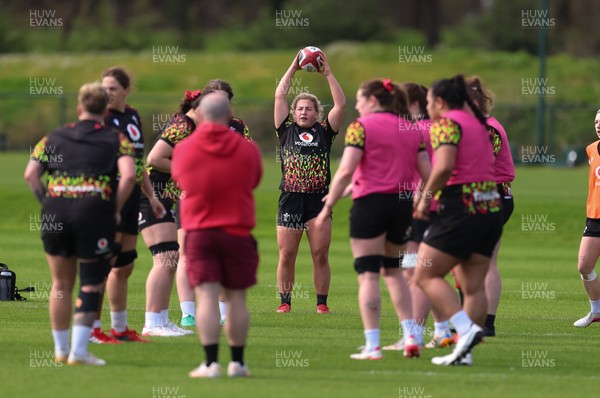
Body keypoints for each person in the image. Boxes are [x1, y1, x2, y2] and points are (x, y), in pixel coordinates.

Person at [314, 78, 430, 360]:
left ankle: (373, 345)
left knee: (368, 275)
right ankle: (412, 335)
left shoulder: (360, 127)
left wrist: (326, 206)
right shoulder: (411, 128)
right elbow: (428, 175)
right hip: (402, 207)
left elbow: (344, 171)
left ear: (373, 101)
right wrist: (422, 202)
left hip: (370, 206)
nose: (357, 105)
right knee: (394, 273)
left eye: (359, 100)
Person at [24, 82, 136, 365]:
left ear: (79, 108)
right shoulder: (116, 138)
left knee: (60, 283)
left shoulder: (53, 137)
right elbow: (129, 176)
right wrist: (115, 209)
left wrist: (47, 202)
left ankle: (61, 350)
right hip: (94, 211)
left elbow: (31, 174)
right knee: (90, 283)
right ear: (105, 109)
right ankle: (79, 352)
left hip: (56, 210)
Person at [413, 75, 503, 366]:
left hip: (460, 207)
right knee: (472, 285)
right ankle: (465, 354)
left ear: (439, 102)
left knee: (424, 275)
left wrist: (425, 198)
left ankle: (465, 331)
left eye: (429, 102)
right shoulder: (480, 124)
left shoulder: (447, 124)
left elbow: (445, 166)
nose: (428, 107)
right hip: (490, 206)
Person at [172, 92, 262, 378]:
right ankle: (238, 362)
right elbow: (255, 180)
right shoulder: (247, 149)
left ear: (199, 114)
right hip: (237, 230)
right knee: (236, 298)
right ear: (229, 115)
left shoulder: (185, 148)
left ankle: (210, 363)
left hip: (200, 231)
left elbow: (180, 179)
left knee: (207, 296)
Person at [90, 67, 165, 344]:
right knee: (103, 264)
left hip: (133, 195)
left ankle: (119, 329)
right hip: (109, 196)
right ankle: (93, 329)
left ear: (125, 90)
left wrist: (152, 197)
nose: (106, 93)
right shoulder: (100, 119)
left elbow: (138, 161)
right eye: (103, 88)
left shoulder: (132, 116)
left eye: (112, 88)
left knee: (124, 266)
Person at [175, 79, 253, 327]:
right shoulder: (192, 124)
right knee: (186, 255)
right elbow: (173, 161)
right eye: (214, 97)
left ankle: (221, 314)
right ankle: (188, 313)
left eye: (224, 98)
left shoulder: (239, 126)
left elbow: (250, 164)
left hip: (228, 204)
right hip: (193, 200)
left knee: (223, 260)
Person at [274, 50, 346, 314]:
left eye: (309, 109)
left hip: (319, 201)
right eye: (300, 108)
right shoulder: (285, 129)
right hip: (291, 198)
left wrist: (328, 74)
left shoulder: (325, 131)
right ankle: (284, 301)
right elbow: (280, 95)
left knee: (320, 254)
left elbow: (341, 106)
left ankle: (321, 304)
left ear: (317, 113)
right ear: (294, 113)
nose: (304, 112)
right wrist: (293, 67)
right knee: (287, 255)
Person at [384, 82, 454, 351]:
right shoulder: (439, 128)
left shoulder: (416, 131)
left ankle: (412, 334)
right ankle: (442, 329)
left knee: (414, 273)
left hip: (420, 210)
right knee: (427, 271)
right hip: (440, 207)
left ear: (412, 104)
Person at [140, 89, 202, 336]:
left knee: (170, 258)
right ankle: (152, 323)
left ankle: (162, 321)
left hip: (163, 197)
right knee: (164, 258)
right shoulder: (183, 125)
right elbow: (155, 158)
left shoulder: (190, 126)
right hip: (152, 196)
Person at [466, 76, 515, 336]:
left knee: (481, 262)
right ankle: (481, 321)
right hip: (491, 195)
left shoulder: (486, 129)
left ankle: (482, 322)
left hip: (489, 196)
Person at [573, 109, 600, 328]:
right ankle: (596, 311)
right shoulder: (591, 149)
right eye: (596, 122)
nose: (598, 125)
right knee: (584, 265)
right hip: (595, 218)